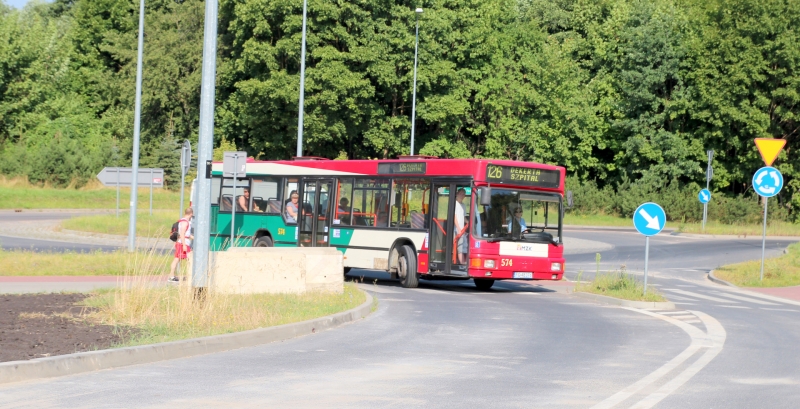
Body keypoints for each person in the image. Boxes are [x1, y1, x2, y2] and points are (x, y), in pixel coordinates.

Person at [169, 207, 194, 282]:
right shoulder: (185, 222)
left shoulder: (183, 221)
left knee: (179, 259)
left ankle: (172, 276)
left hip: (182, 242)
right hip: (183, 243)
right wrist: (184, 245)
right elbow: (182, 233)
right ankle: (173, 276)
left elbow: (186, 234)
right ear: (191, 214)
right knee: (187, 259)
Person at [454, 188, 468, 264]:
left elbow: (463, 217)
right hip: (456, 229)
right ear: (457, 194)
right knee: (460, 247)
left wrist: (468, 222)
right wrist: (458, 228)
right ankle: (462, 264)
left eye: (464, 194)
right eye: (461, 193)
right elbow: (454, 217)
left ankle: (464, 262)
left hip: (462, 230)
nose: (462, 195)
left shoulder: (463, 205)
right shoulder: (455, 204)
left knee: (464, 246)